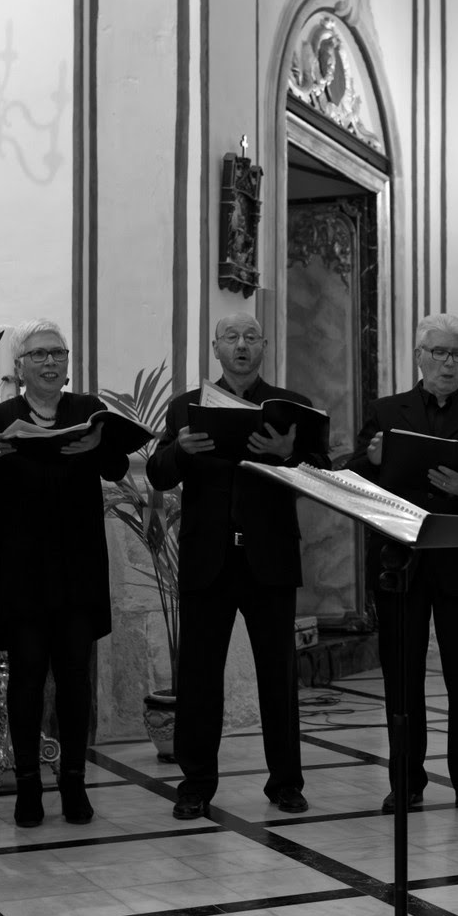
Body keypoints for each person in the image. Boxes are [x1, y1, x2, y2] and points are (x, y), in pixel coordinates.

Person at [148, 312, 326, 820]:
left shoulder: (293, 407)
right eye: (232, 337)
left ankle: (286, 783)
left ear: (264, 345)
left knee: (279, 674)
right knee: (200, 674)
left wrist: (289, 455)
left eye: (251, 337)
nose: (242, 345)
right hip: (209, 558)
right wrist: (180, 450)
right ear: (216, 347)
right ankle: (196, 783)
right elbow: (159, 475)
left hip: (269, 557)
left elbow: (322, 475)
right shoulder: (186, 406)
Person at [0, 319, 130, 827]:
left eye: (58, 353)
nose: (50, 361)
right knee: (28, 677)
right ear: (21, 367)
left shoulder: (87, 410)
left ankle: (73, 782)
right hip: (22, 569)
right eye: (38, 355)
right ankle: (27, 786)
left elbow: (118, 470)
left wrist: (98, 444)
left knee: (75, 678)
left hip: (78, 567)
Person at [349, 313, 458, 815]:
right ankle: (406, 780)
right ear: (419, 355)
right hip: (400, 558)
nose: (448, 363)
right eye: (439, 352)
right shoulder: (385, 410)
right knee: (402, 674)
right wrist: (371, 461)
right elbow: (354, 478)